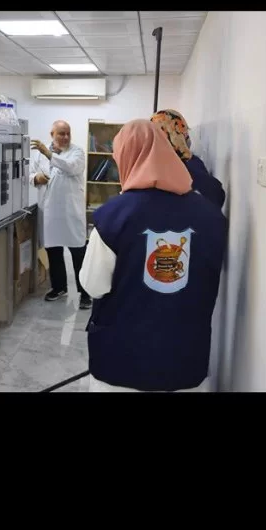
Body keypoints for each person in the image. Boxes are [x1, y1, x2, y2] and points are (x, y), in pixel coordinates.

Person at [79, 120, 228, 391]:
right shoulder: (210, 216)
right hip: (185, 361)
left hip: (122, 363)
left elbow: (93, 285)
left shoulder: (113, 216)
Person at [30, 120, 92, 310]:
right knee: (54, 251)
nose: (65, 137)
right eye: (61, 133)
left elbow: (71, 167)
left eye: (68, 133)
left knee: (78, 253)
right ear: (52, 134)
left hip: (71, 212)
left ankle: (85, 293)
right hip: (50, 212)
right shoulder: (38, 155)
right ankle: (59, 287)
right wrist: (36, 178)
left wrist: (49, 154)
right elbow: (29, 173)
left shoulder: (77, 152)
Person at [151, 109, 226, 208]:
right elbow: (215, 194)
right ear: (177, 134)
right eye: (184, 130)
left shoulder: (145, 171)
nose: (187, 136)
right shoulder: (190, 166)